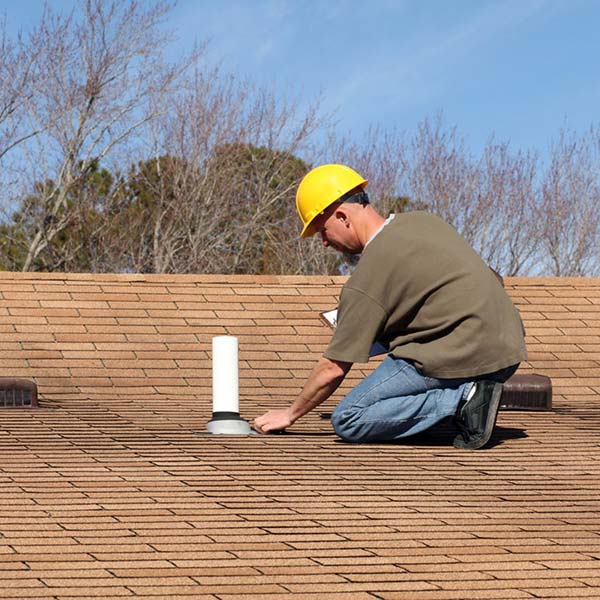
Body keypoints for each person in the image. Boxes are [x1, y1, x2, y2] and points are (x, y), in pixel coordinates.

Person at [253, 164, 527, 449]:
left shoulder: (368, 277)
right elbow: (491, 279)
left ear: (342, 216)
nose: (324, 242)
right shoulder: (426, 222)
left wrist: (290, 413)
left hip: (459, 358)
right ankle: (456, 404)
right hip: (507, 353)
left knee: (349, 417)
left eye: (322, 230)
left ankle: (464, 400)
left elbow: (332, 368)